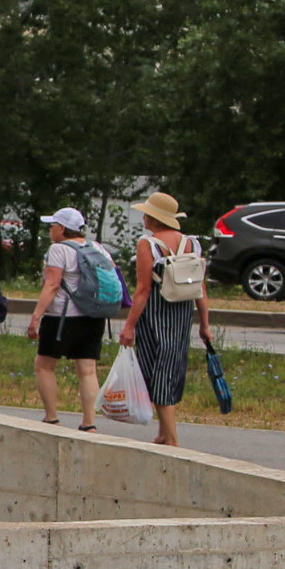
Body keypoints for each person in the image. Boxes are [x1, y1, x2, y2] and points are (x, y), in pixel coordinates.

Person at [122, 190, 216, 448]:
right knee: (171, 369)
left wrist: (129, 325)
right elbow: (201, 288)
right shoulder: (193, 244)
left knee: (157, 371)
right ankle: (164, 433)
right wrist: (205, 324)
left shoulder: (148, 244)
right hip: (183, 314)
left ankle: (172, 438)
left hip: (155, 314)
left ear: (152, 219)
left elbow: (143, 290)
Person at [28, 207, 104, 429]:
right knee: (88, 370)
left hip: (62, 317)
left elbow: (52, 285)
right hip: (93, 315)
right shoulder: (97, 248)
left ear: (62, 228)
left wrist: (36, 316)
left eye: (52, 226)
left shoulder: (59, 249)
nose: (50, 230)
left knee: (44, 365)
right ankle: (89, 423)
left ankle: (52, 417)